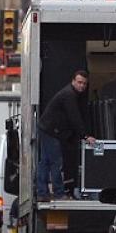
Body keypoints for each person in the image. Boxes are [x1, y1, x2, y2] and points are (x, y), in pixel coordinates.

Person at [36, 70, 96, 201]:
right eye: (79, 82)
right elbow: (74, 117)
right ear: (73, 81)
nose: (82, 86)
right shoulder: (69, 95)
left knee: (45, 161)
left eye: (84, 84)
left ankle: (42, 192)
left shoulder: (69, 93)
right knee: (56, 162)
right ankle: (58, 193)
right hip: (51, 130)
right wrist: (85, 136)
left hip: (48, 128)